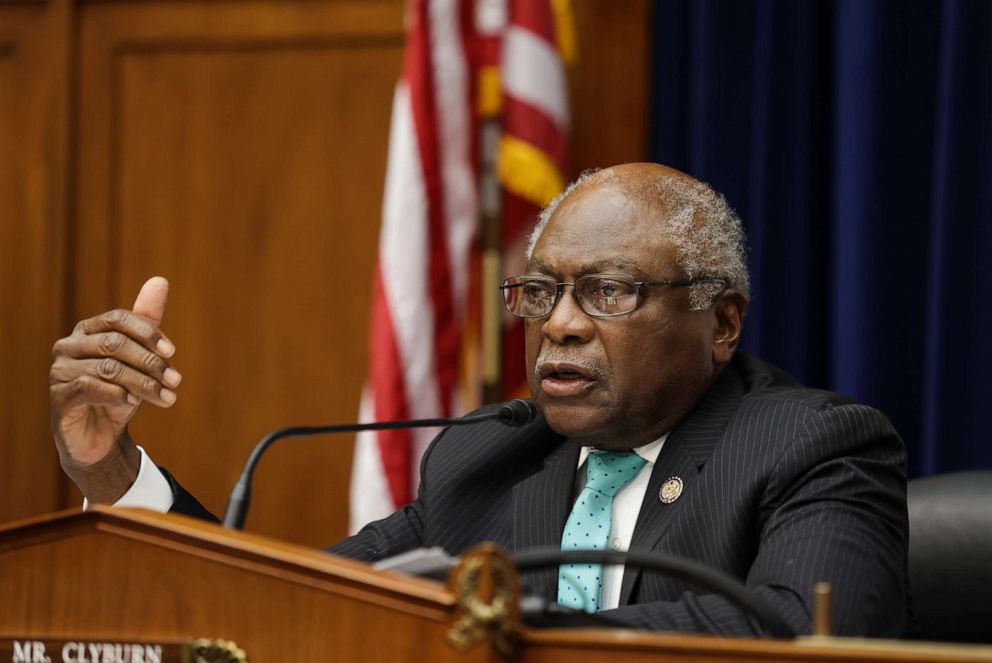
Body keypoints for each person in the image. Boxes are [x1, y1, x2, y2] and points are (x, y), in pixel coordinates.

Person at [49, 163, 908, 637]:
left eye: (607, 292)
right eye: (541, 292)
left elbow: (807, 635)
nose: (560, 325)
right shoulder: (484, 457)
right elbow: (285, 611)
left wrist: (499, 630)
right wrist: (113, 468)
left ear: (720, 320)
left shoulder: (813, 445)